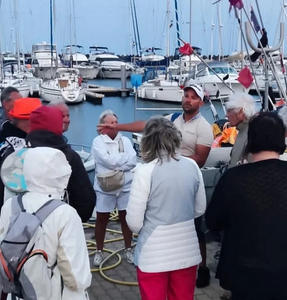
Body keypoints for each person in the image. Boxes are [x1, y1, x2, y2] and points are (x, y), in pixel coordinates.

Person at [99, 84, 213, 287]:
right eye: (186, 95)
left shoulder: (204, 127)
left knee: (197, 228)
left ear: (200, 102)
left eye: (193, 97)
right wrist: (117, 127)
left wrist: (171, 162)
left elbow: (200, 159)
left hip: (185, 178)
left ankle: (202, 268)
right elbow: (147, 125)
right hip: (167, 173)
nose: (187, 99)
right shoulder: (174, 118)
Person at [206, 112, 287, 300]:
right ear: (282, 139)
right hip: (285, 273)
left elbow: (213, 221)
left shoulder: (233, 178)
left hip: (244, 272)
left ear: (251, 140)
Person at [0, 147, 92, 299]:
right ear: (61, 174)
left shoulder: (11, 205)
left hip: (19, 294)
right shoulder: (66, 213)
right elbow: (76, 276)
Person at [127, 117, 206, 300]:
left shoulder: (144, 171)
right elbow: (199, 209)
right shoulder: (192, 166)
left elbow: (134, 223)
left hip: (153, 253)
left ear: (148, 141)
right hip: (187, 249)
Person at [26, 105, 96, 222]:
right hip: (59, 224)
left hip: (23, 228)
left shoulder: (16, 154)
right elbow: (86, 202)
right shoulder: (70, 157)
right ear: (56, 125)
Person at [91, 110, 137, 266]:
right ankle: (99, 250)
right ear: (102, 126)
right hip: (105, 188)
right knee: (102, 219)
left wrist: (115, 161)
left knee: (126, 219)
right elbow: (107, 160)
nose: (113, 126)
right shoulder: (98, 142)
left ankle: (128, 249)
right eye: (110, 123)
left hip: (125, 186)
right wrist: (121, 162)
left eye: (115, 122)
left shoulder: (126, 140)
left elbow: (133, 160)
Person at [0, 97, 42, 219]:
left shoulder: (4, 140)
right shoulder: (22, 150)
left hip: (5, 215)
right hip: (23, 221)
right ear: (31, 120)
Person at [224, 92, 257, 168]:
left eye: (229, 111)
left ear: (241, 112)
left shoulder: (251, 133)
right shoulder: (244, 130)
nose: (226, 115)